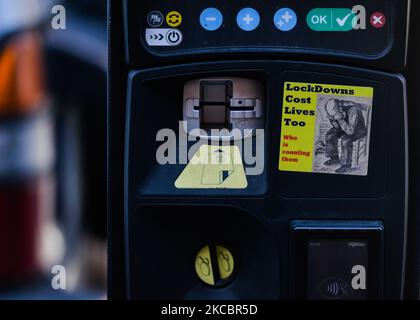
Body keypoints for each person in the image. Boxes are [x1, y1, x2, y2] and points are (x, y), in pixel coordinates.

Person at [323, 99, 368, 174]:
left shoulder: (353, 109)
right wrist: (333, 120)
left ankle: (346, 165)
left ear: (340, 107)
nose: (334, 116)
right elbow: (337, 126)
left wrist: (340, 120)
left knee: (345, 141)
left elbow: (350, 131)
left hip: (358, 129)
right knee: (329, 135)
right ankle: (334, 158)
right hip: (344, 126)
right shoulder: (333, 109)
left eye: (335, 114)